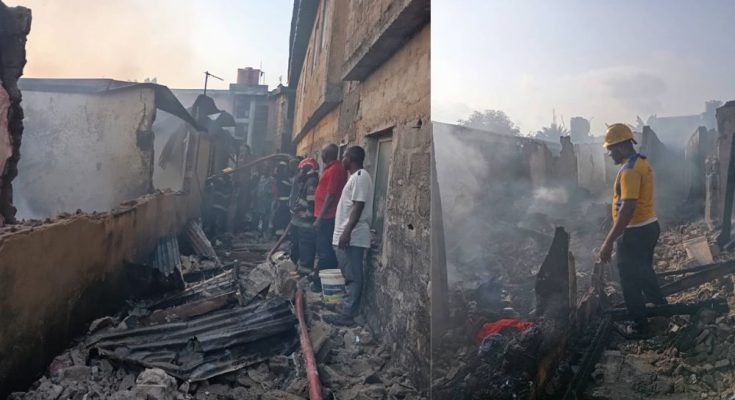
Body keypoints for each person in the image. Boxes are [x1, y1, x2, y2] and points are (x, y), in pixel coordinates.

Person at [598, 123, 665, 336]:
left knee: (628, 279)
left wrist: (608, 242)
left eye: (610, 149)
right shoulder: (641, 162)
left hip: (635, 233)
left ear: (620, 146)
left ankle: (639, 325)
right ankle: (660, 307)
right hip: (649, 227)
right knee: (644, 271)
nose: (609, 154)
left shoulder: (629, 172)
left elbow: (628, 208)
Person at [328, 146, 373, 326]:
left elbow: (358, 206)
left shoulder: (361, 177)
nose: (342, 160)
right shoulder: (354, 178)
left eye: (344, 156)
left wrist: (347, 232)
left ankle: (347, 314)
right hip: (347, 236)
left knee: (353, 276)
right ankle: (345, 306)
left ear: (351, 158)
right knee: (348, 274)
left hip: (353, 237)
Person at [312, 144, 348, 291]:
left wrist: (320, 218)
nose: (321, 155)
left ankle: (321, 285)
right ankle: (327, 284)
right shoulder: (331, 168)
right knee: (325, 252)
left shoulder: (335, 170)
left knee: (325, 253)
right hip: (325, 216)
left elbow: (331, 195)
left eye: (322, 153)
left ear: (327, 154)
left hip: (328, 217)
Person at [289, 158, 320, 275]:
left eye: (301, 170)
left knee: (305, 250)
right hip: (299, 222)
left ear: (307, 169)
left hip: (305, 224)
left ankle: (304, 274)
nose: (299, 172)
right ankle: (295, 270)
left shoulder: (311, 182)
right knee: (297, 247)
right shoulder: (306, 181)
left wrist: (308, 213)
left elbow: (311, 202)